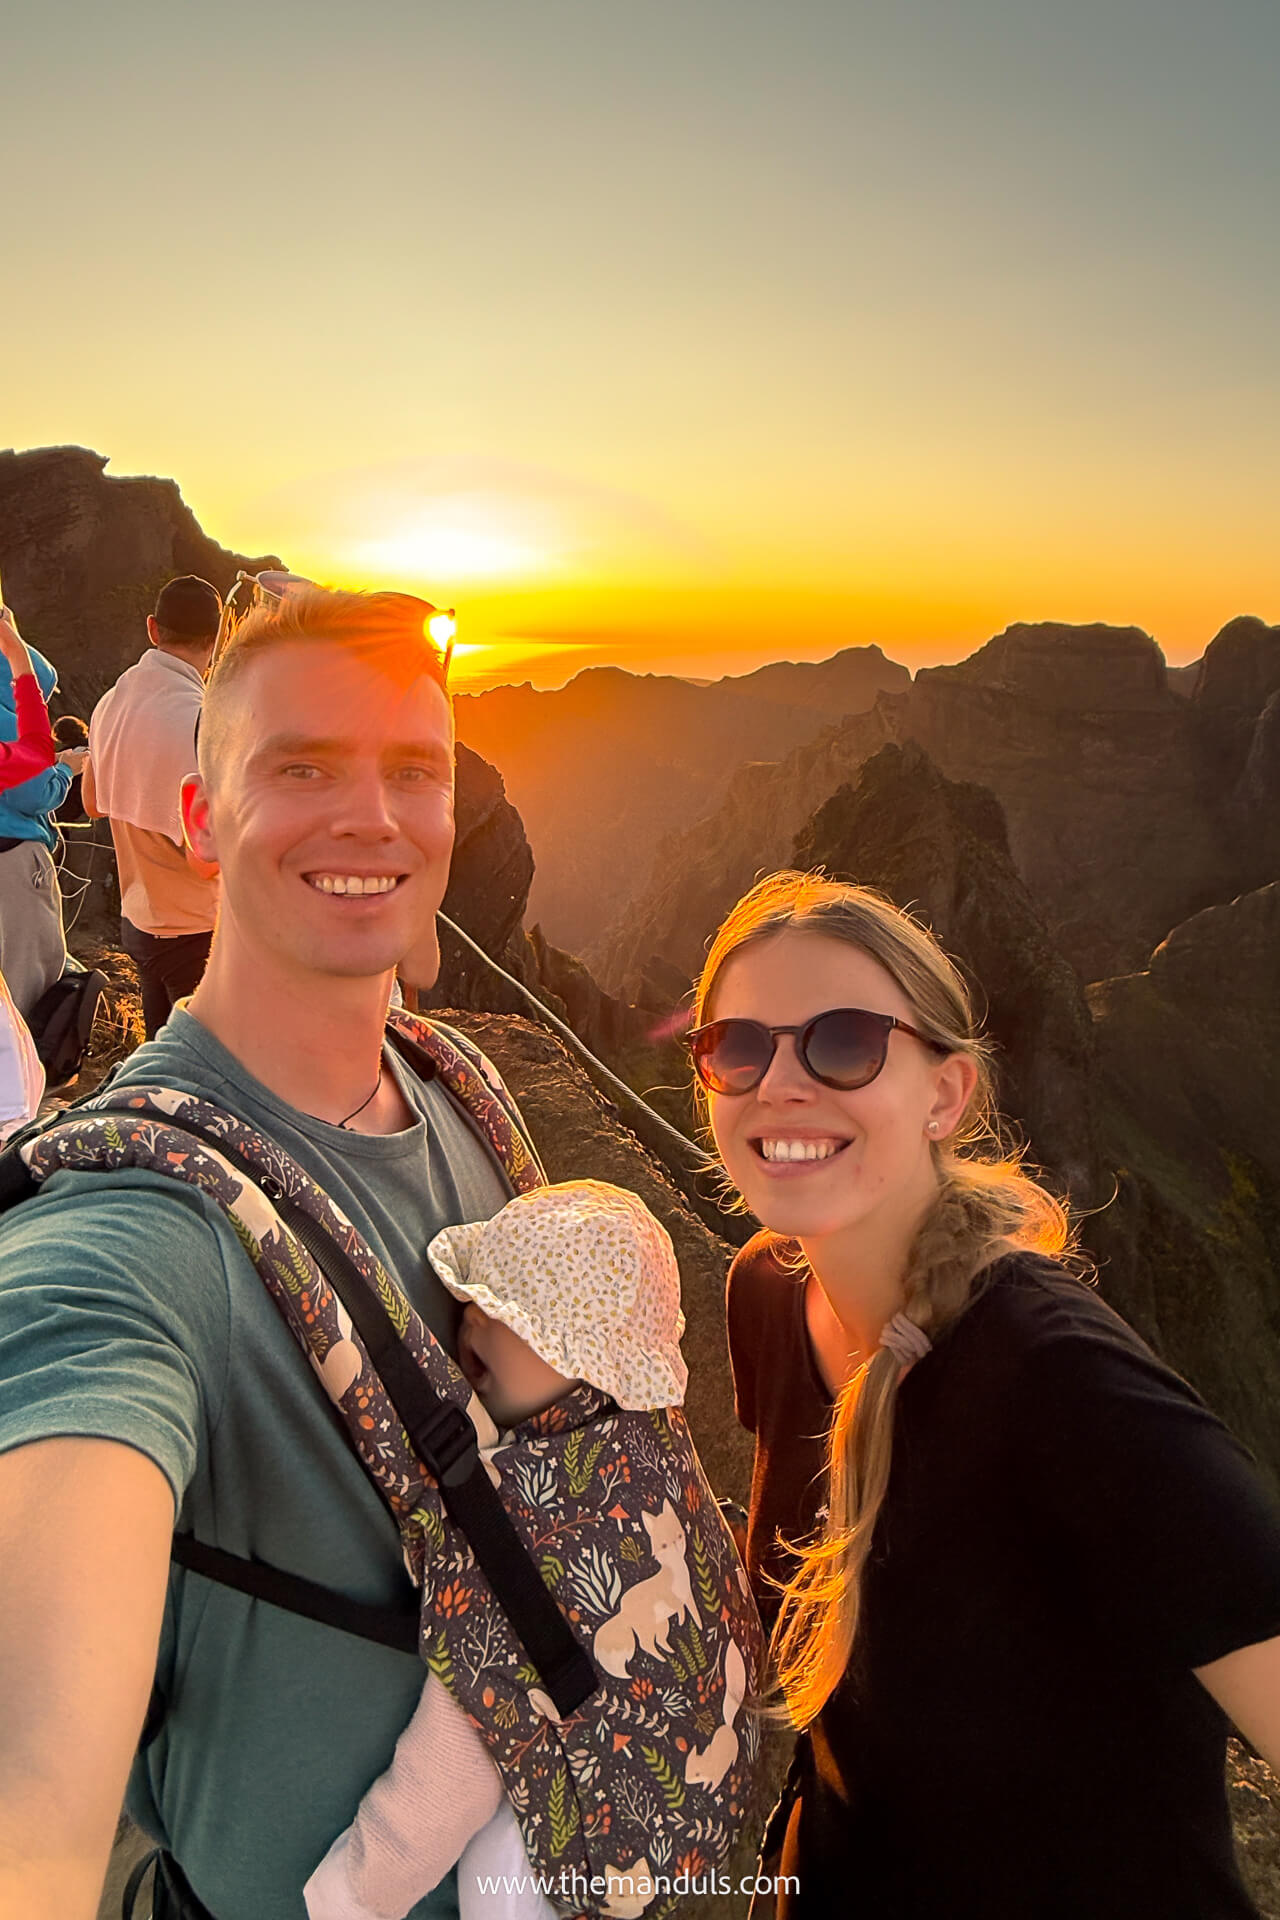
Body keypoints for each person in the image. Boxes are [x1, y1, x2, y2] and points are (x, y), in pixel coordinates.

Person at [0, 586, 520, 1920]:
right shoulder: (132, 1230)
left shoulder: (456, 1086)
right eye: (303, 769)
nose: (374, 815)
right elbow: (29, 1808)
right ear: (200, 818)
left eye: (415, 771)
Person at [689, 870, 1280, 1920]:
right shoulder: (767, 1294)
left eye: (843, 1042)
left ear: (945, 1094)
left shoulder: (1053, 1374)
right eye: (738, 1048)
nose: (777, 1084)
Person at [303, 1178, 690, 1920]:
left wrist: (350, 1897)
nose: (470, 1321)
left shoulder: (524, 1531)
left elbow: (449, 1773)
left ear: (591, 1370)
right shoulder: (653, 1450)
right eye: (471, 1300)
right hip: (664, 1801)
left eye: (513, 1318)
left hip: (563, 1870)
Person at [85, 575, 222, 1038]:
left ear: (153, 628)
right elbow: (205, 861)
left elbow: (92, 802)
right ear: (218, 636)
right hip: (196, 931)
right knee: (210, 1067)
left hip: (140, 922)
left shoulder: (109, 703)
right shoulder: (202, 720)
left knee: (163, 1058)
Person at [0, 609, 78, 1018]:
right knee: (28, 987)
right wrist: (66, 770)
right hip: (13, 863)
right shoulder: (8, 715)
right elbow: (32, 795)